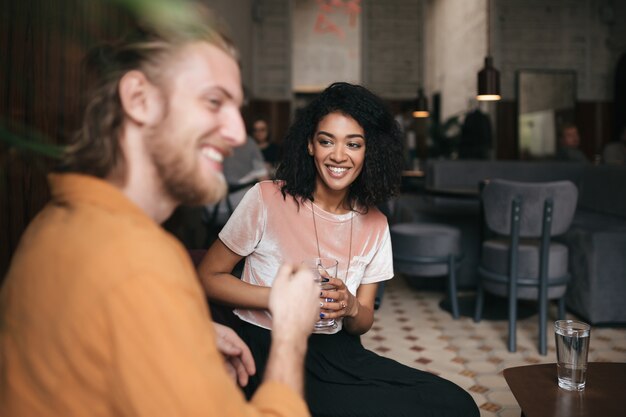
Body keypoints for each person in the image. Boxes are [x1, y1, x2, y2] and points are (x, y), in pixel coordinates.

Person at [0, 13, 321, 417]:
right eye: (213, 101)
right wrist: (291, 335)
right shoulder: (140, 264)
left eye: (236, 108)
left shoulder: (56, 219)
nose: (237, 133)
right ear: (139, 99)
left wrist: (185, 330)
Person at [199, 82, 480, 417]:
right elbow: (208, 277)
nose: (338, 155)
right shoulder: (266, 198)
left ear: (368, 151)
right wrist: (280, 298)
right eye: (326, 141)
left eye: (354, 144)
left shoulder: (375, 224)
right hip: (267, 344)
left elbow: (363, 321)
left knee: (457, 404)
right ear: (309, 145)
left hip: (339, 352)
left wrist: (349, 307)